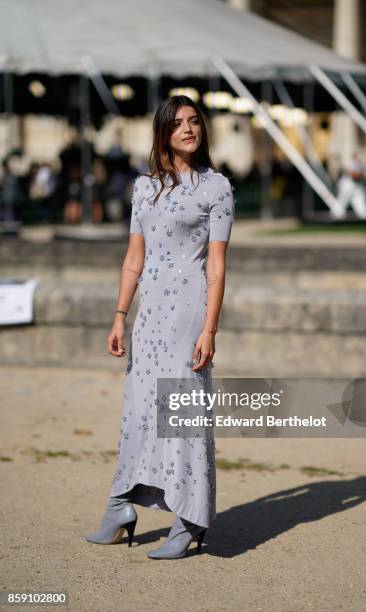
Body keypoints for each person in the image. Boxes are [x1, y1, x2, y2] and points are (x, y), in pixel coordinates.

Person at [85, 95, 235, 559]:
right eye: (178, 123)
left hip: (189, 310)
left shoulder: (217, 187)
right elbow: (134, 258)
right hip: (148, 315)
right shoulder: (144, 186)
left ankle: (190, 520)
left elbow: (216, 266)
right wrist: (119, 314)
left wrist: (210, 329)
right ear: (163, 132)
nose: (189, 129)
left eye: (195, 121)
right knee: (139, 409)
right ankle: (120, 507)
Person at [336, 155, 366, 220]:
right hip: (347, 185)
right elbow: (353, 175)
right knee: (340, 206)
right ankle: (337, 217)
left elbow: (360, 175)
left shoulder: (360, 163)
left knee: (362, 210)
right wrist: (360, 175)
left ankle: (364, 218)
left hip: (358, 186)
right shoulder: (348, 162)